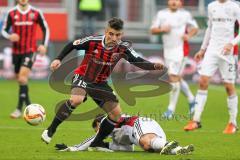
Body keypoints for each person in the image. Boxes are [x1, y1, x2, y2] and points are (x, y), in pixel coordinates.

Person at [41, 17, 166, 151]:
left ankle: (98, 143)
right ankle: (50, 130)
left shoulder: (123, 48)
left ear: (121, 35)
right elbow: (72, 44)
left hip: (100, 83)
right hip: (84, 76)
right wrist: (58, 59)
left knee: (116, 114)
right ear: (106, 32)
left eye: (117, 35)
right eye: (111, 34)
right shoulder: (92, 41)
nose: (114, 38)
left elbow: (137, 61)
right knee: (76, 99)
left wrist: (153, 66)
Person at [184, 0, 240, 134]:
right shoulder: (211, 6)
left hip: (228, 52)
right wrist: (203, 49)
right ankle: (196, 120)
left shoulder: (235, 7)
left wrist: (231, 43)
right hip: (212, 50)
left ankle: (232, 123)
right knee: (203, 81)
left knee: (228, 86)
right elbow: (209, 28)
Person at [150, 0, 198, 119]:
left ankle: (170, 110)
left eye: (177, 0)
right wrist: (162, 30)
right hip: (168, 51)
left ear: (180, 3)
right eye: (172, 0)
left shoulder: (185, 15)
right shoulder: (161, 14)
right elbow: (152, 30)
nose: (174, 2)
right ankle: (192, 100)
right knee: (177, 79)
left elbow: (195, 28)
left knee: (173, 78)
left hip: (181, 51)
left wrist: (188, 36)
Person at [1, 0, 49, 118]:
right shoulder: (11, 13)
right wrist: (9, 35)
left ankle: (19, 109)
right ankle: (29, 105)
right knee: (20, 79)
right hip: (16, 52)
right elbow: (4, 30)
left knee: (22, 77)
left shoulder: (36, 13)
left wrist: (43, 44)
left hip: (30, 50)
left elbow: (45, 29)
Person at [55, 114, 194, 155]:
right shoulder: (118, 134)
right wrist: (104, 145)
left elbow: (94, 138)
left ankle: (168, 144)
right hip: (148, 129)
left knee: (146, 141)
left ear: (99, 123)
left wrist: (73, 148)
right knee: (148, 146)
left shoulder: (107, 120)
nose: (98, 132)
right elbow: (127, 148)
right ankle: (179, 150)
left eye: (97, 128)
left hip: (140, 124)